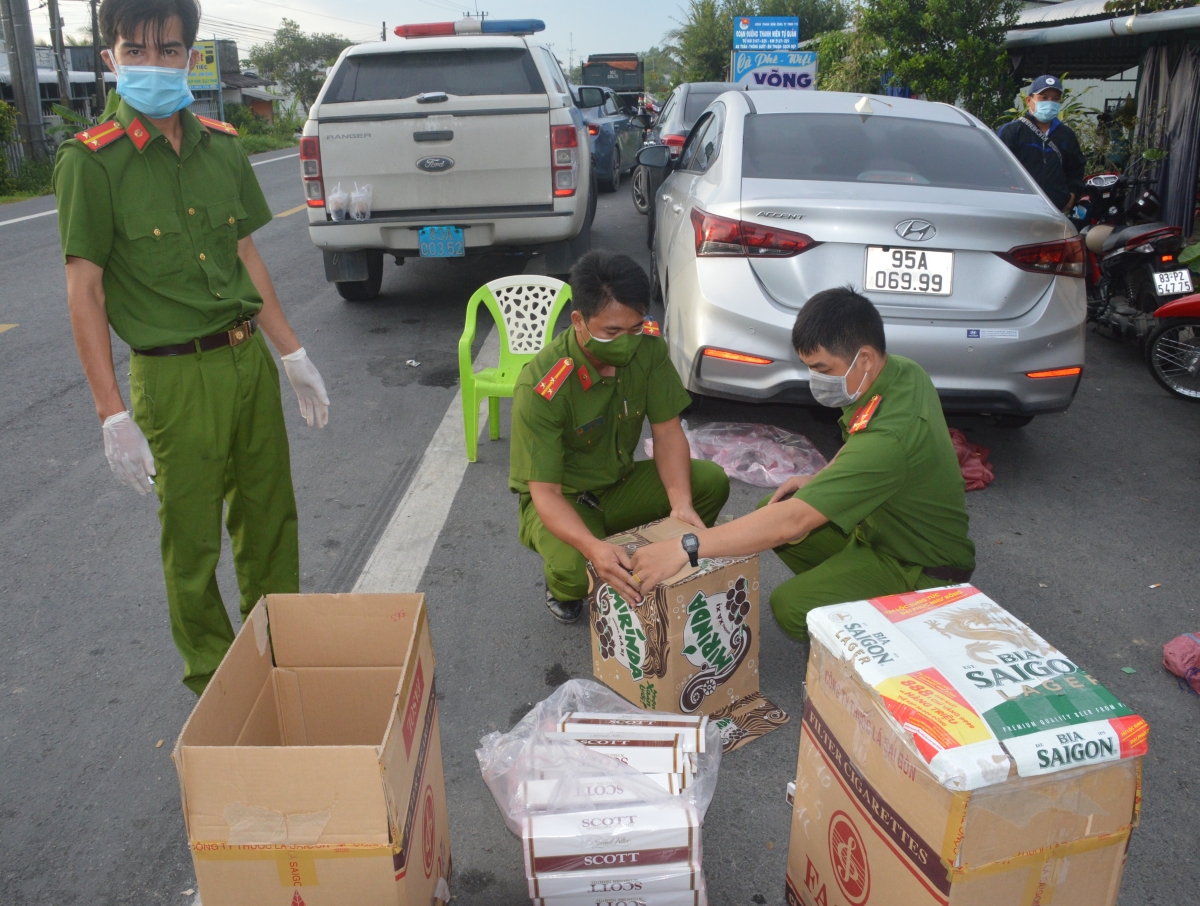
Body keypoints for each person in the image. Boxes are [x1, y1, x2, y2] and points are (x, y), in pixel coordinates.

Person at [54, 0, 330, 693]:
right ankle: (216, 683)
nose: (154, 64)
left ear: (191, 57)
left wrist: (291, 354)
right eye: (137, 51)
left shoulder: (222, 146)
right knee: (192, 541)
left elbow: (244, 255)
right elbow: (83, 292)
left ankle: (282, 658)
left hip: (245, 361)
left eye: (170, 50)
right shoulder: (91, 164)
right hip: (174, 378)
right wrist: (110, 413)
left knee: (271, 519)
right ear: (110, 59)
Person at [630, 287, 975, 641]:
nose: (816, 381)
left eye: (823, 369)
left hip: (919, 570)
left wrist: (684, 547)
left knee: (792, 606)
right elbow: (861, 438)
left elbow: (794, 523)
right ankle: (850, 594)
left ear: (866, 358)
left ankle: (891, 639)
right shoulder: (903, 373)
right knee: (775, 505)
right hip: (882, 534)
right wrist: (822, 477)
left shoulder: (890, 439)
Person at [509, 250, 730, 623]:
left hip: (619, 485)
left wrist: (679, 504)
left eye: (635, 327)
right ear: (579, 321)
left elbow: (668, 432)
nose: (627, 342)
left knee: (708, 482)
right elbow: (544, 492)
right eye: (612, 332)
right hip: (566, 499)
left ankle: (661, 553)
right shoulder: (543, 385)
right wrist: (593, 547)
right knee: (578, 573)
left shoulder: (649, 349)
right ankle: (565, 584)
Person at [997, 75, 1086, 215]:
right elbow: (997, 168)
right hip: (1017, 210)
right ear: (1029, 100)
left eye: (1055, 99)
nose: (1050, 103)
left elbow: (1076, 170)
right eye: (1044, 98)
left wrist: (1072, 196)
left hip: (1055, 211)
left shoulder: (1067, 135)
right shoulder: (1011, 132)